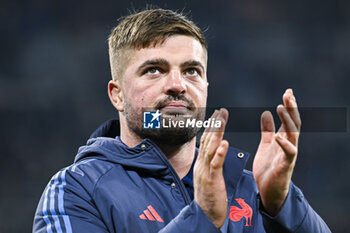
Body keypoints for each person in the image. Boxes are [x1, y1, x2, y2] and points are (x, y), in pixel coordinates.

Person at [33, 8, 331, 233]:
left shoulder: (248, 187)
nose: (178, 84)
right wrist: (202, 218)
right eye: (154, 70)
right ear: (117, 95)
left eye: (191, 71)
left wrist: (282, 205)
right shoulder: (77, 189)